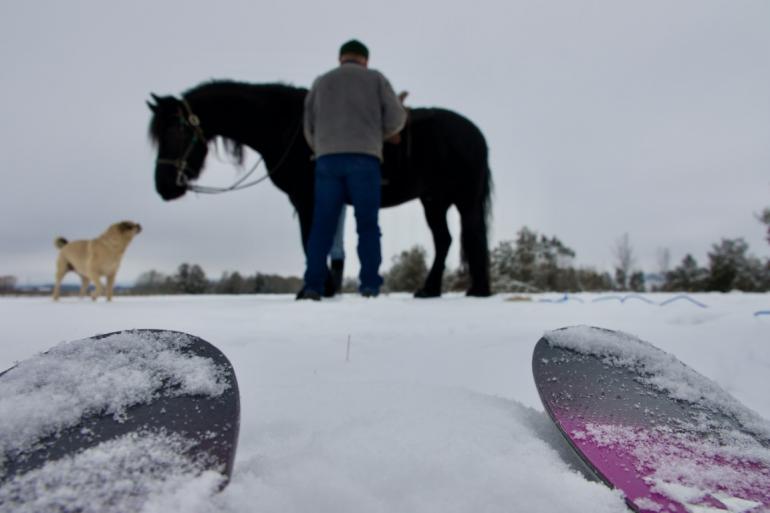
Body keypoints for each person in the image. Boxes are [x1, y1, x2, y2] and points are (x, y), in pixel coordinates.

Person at [297, 39, 407, 300]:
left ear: (341, 58)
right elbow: (397, 119)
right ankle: (369, 285)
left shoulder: (321, 81)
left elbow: (308, 124)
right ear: (365, 59)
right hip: (365, 159)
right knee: (367, 225)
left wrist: (323, 147)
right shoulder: (376, 79)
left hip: (327, 161)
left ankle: (313, 285)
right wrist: (377, 136)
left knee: (322, 226)